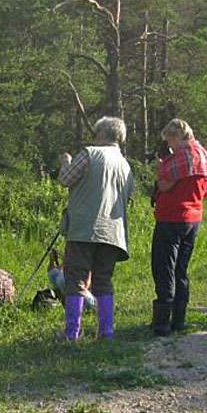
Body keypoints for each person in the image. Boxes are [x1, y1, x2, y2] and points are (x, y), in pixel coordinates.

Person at [57, 116, 136, 341]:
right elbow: (128, 197)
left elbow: (65, 179)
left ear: (102, 134)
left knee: (76, 279)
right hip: (113, 232)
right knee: (103, 279)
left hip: (83, 228)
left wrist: (65, 161)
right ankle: (107, 332)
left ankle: (72, 333)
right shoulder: (126, 165)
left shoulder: (90, 153)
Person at [151, 119, 207, 336]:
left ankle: (162, 322)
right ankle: (179, 319)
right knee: (181, 269)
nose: (169, 144)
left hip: (171, 217)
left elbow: (164, 184)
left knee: (164, 267)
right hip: (193, 218)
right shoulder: (205, 156)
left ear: (177, 136)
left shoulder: (180, 156)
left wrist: (160, 168)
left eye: (170, 139)